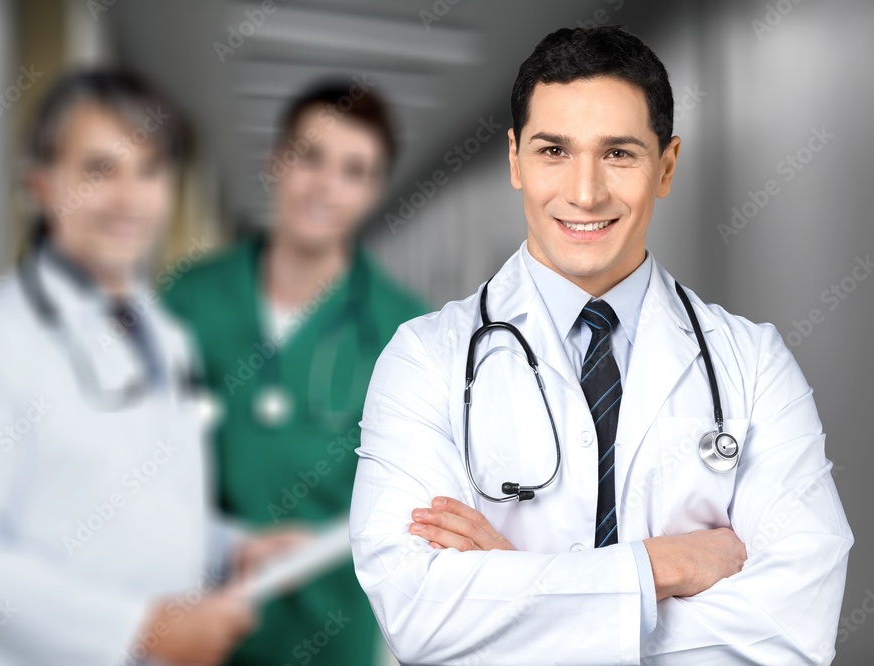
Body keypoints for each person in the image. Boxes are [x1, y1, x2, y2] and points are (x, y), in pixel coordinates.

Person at [350, 26, 852, 665]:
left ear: (666, 166)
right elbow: (419, 612)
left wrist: (520, 583)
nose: (585, 192)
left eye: (618, 153)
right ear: (514, 160)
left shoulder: (753, 363)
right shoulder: (424, 358)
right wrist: (660, 566)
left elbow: (792, 630)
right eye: (553, 150)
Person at [0, 70, 292, 665]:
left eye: (150, 171)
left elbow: (138, 502)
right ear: (41, 184)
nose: (130, 199)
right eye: (99, 170)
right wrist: (138, 628)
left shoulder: (165, 338)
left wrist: (233, 549)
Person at [163, 81, 426, 666]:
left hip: (333, 632)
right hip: (196, 625)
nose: (326, 187)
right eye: (311, 157)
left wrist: (336, 544)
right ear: (275, 160)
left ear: (375, 191)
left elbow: (422, 498)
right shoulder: (188, 299)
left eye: (353, 171)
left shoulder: (405, 329)